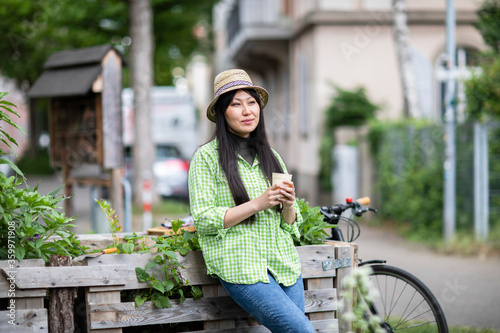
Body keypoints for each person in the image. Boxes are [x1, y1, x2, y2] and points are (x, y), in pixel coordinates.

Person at [188, 69, 314, 333]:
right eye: (236, 104)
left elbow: (290, 224)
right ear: (222, 112)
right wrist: (258, 203)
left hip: (283, 263)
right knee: (302, 331)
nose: (247, 111)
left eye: (251, 102)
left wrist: (289, 205)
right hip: (240, 265)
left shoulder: (272, 156)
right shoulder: (206, 157)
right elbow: (203, 219)